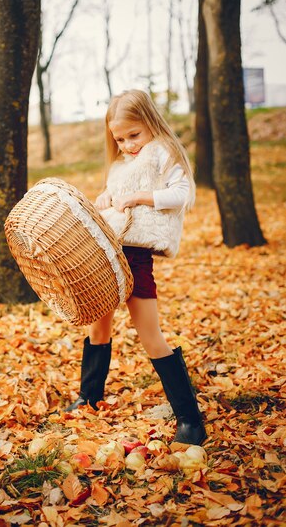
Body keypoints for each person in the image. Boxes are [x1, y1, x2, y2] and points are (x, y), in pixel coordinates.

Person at [64, 89, 206, 446]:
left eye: (134, 135)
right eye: (120, 138)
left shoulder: (164, 153)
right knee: (99, 327)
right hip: (106, 254)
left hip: (136, 256)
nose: (127, 145)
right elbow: (112, 200)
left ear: (151, 124)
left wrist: (140, 197)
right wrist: (106, 198)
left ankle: (190, 419)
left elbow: (182, 195)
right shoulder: (120, 164)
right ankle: (89, 397)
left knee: (151, 336)